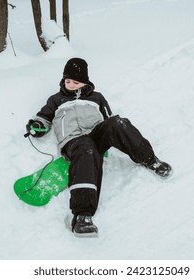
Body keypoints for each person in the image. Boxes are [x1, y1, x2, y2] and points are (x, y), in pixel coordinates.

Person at [26, 58, 172, 237]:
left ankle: (151, 160)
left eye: (75, 81)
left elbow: (108, 118)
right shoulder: (56, 99)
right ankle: (82, 216)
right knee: (86, 147)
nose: (70, 85)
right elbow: (44, 118)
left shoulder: (97, 98)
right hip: (74, 141)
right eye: (67, 81)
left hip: (96, 136)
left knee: (117, 122)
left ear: (85, 81)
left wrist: (113, 130)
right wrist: (37, 126)